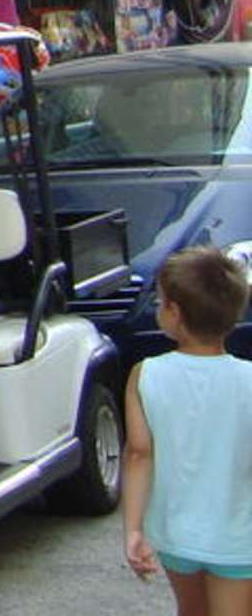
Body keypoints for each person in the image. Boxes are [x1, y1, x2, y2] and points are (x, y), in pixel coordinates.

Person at [124, 246, 252, 613]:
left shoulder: (145, 375)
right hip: (238, 536)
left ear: (175, 313)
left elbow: (138, 454)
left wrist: (133, 529)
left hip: (176, 534)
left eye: (159, 301)